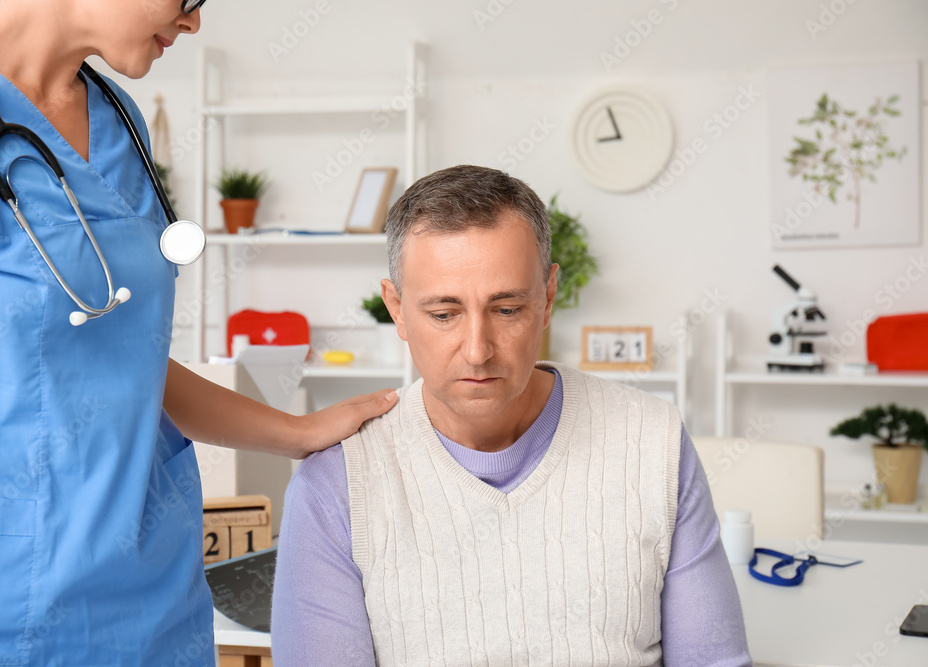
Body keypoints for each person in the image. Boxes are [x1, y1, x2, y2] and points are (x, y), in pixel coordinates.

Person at [0, 1, 396, 664]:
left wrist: (298, 433)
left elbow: (125, 354)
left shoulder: (118, 118)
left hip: (153, 599)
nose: (195, 22)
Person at [272, 165, 752, 665]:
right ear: (396, 308)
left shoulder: (653, 444)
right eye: (443, 314)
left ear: (547, 298)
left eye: (506, 310)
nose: (477, 351)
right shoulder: (336, 485)